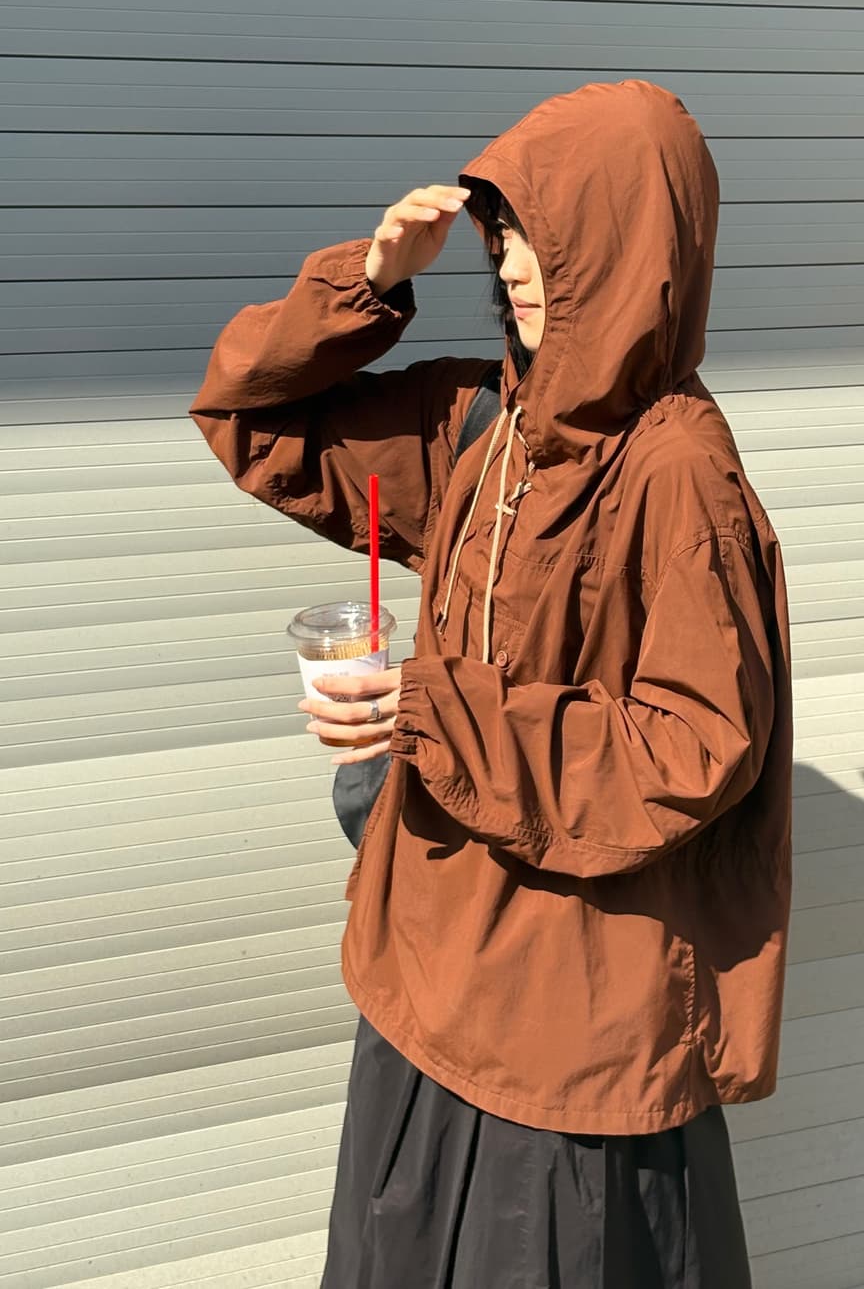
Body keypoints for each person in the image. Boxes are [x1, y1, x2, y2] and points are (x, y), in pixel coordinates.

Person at [190, 79, 793, 1289]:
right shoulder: (482, 421)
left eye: (545, 236)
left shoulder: (676, 471)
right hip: (426, 971)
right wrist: (368, 284)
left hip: (564, 1033)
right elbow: (250, 421)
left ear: (631, 243)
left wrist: (433, 709)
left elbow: (692, 749)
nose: (513, 265)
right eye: (501, 233)